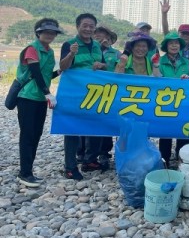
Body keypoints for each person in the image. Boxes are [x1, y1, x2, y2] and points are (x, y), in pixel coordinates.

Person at [16, 19, 64, 187]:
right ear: (38, 33)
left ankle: (28, 170)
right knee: (27, 134)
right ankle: (24, 173)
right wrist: (47, 93)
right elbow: (35, 73)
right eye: (46, 32)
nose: (50, 35)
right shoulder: (32, 49)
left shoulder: (49, 52)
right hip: (27, 97)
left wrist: (59, 72)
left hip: (40, 100)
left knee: (36, 134)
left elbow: (45, 75)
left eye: (53, 33)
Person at [59, 13, 107, 179]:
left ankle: (90, 160)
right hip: (74, 93)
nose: (88, 29)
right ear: (77, 26)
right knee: (72, 128)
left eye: (91, 26)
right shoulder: (69, 44)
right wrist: (71, 54)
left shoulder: (96, 46)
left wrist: (101, 65)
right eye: (84, 25)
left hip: (94, 93)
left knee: (94, 125)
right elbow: (63, 68)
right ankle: (70, 167)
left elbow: (103, 67)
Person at [154, 32, 189, 167]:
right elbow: (156, 79)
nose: (174, 46)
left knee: (182, 131)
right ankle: (164, 160)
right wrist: (156, 67)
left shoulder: (186, 62)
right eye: (171, 43)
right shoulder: (160, 62)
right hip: (165, 103)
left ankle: (181, 159)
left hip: (183, 102)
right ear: (166, 46)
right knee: (165, 132)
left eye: (176, 43)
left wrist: (187, 78)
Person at [93, 25, 121, 166]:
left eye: (103, 35)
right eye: (96, 35)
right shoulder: (90, 50)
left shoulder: (116, 53)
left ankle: (104, 153)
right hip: (91, 91)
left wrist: (105, 66)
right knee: (89, 121)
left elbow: (118, 71)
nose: (99, 37)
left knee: (106, 121)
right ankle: (85, 153)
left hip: (109, 92)